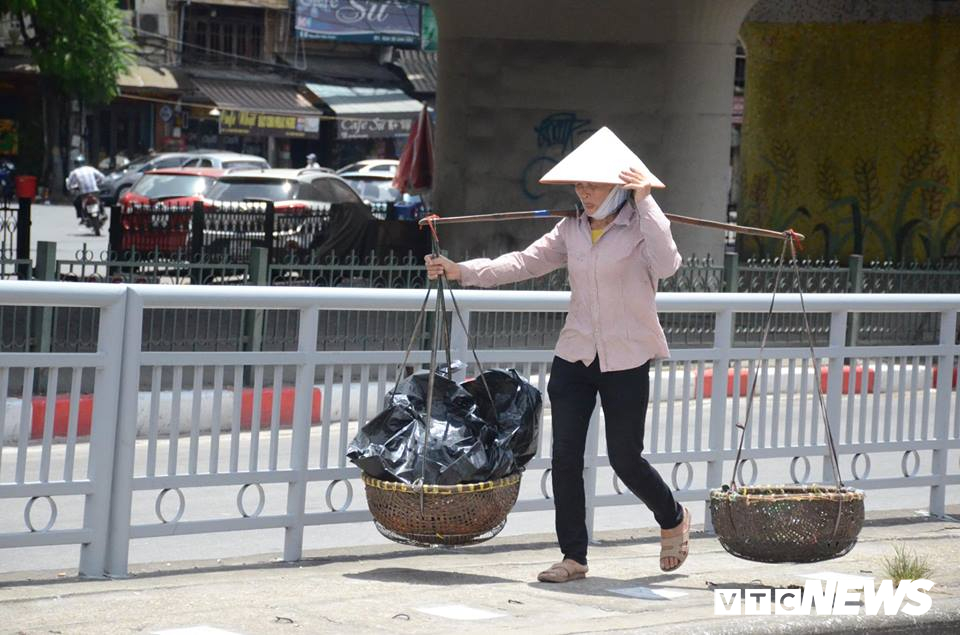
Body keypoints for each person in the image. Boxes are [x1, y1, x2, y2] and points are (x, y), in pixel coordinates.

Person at [424, 127, 690, 583]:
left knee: (626, 458)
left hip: (626, 359)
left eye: (594, 185)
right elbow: (523, 262)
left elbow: (669, 265)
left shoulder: (641, 227)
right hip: (575, 356)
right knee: (565, 458)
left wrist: (647, 202)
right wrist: (460, 271)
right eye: (580, 185)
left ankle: (672, 517)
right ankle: (573, 557)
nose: (584, 193)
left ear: (621, 187)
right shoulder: (570, 228)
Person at [65, 155, 105, 220]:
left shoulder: (74, 172)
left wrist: (70, 188)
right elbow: (102, 177)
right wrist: (97, 183)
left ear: (76, 164)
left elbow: (69, 184)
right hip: (94, 190)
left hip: (84, 193)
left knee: (76, 202)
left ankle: (81, 217)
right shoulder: (91, 169)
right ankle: (103, 213)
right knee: (100, 200)